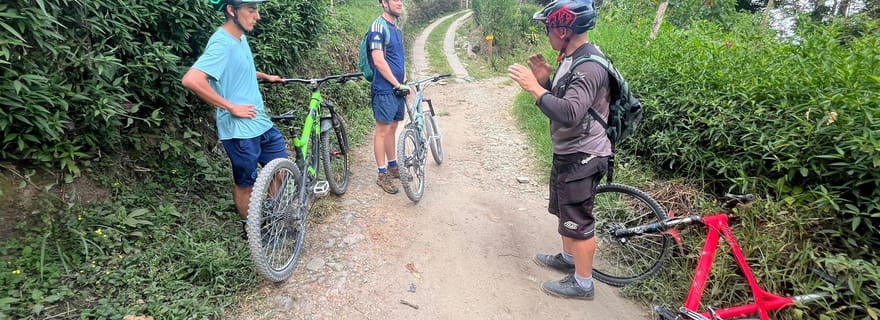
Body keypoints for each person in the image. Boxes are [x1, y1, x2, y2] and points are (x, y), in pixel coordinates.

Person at [507, 0, 610, 300]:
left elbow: (569, 113)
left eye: (549, 27)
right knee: (565, 211)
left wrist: (534, 88)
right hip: (569, 151)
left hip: (584, 155)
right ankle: (568, 259)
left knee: (578, 219)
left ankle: (583, 283)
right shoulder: (570, 56)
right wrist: (546, 82)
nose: (547, 33)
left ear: (565, 29)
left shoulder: (589, 65)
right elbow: (565, 103)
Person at [181, 0, 285, 239]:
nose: (257, 16)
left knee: (280, 170)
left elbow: (239, 69)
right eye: (251, 10)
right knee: (246, 183)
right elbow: (192, 80)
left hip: (261, 122)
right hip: (239, 132)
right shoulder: (221, 43)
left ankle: (272, 217)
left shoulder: (240, 38)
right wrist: (231, 107)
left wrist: (265, 76)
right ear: (231, 10)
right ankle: (253, 231)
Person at [368, 0, 410, 194]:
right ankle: (381, 173)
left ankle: (393, 167)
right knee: (382, 130)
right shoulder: (378, 27)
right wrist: (396, 83)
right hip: (385, 89)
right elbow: (378, 60)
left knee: (393, 127)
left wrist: (404, 76)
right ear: (384, 3)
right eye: (395, 0)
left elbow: (399, 56)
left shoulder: (396, 28)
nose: (399, 2)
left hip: (397, 87)